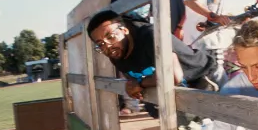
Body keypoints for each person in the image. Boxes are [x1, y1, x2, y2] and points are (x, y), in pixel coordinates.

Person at [87, 8, 219, 105]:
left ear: (124, 30)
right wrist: (133, 86)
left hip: (206, 79)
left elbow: (172, 76)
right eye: (101, 44)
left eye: (111, 36)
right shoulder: (115, 52)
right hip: (181, 92)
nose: (108, 46)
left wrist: (140, 83)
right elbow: (134, 82)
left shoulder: (151, 36)